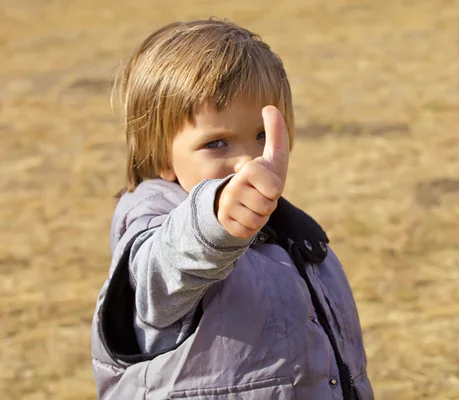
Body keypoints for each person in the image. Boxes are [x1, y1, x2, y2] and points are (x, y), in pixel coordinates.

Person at [90, 18, 373, 400]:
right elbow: (161, 277)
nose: (247, 162)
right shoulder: (155, 229)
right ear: (162, 157)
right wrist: (212, 226)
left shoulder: (297, 239)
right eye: (217, 143)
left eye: (261, 135)